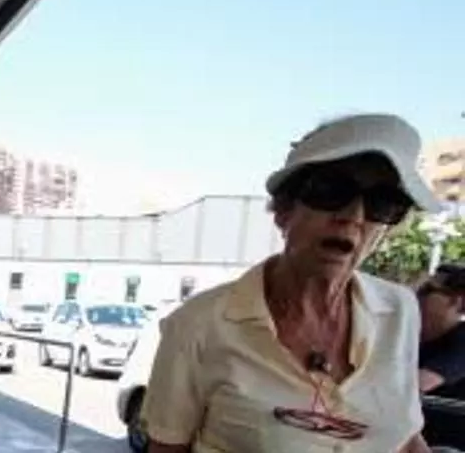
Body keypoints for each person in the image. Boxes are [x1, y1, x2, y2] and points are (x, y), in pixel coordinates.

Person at [141, 113, 439, 452]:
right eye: (330, 191)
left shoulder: (400, 310)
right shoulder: (198, 325)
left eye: (383, 203)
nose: (353, 217)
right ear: (284, 211)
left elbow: (405, 438)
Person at [416, 264, 465, 448]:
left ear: (457, 301)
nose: (416, 297)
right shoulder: (414, 338)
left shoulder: (461, 341)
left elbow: (417, 383)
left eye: (426, 290)